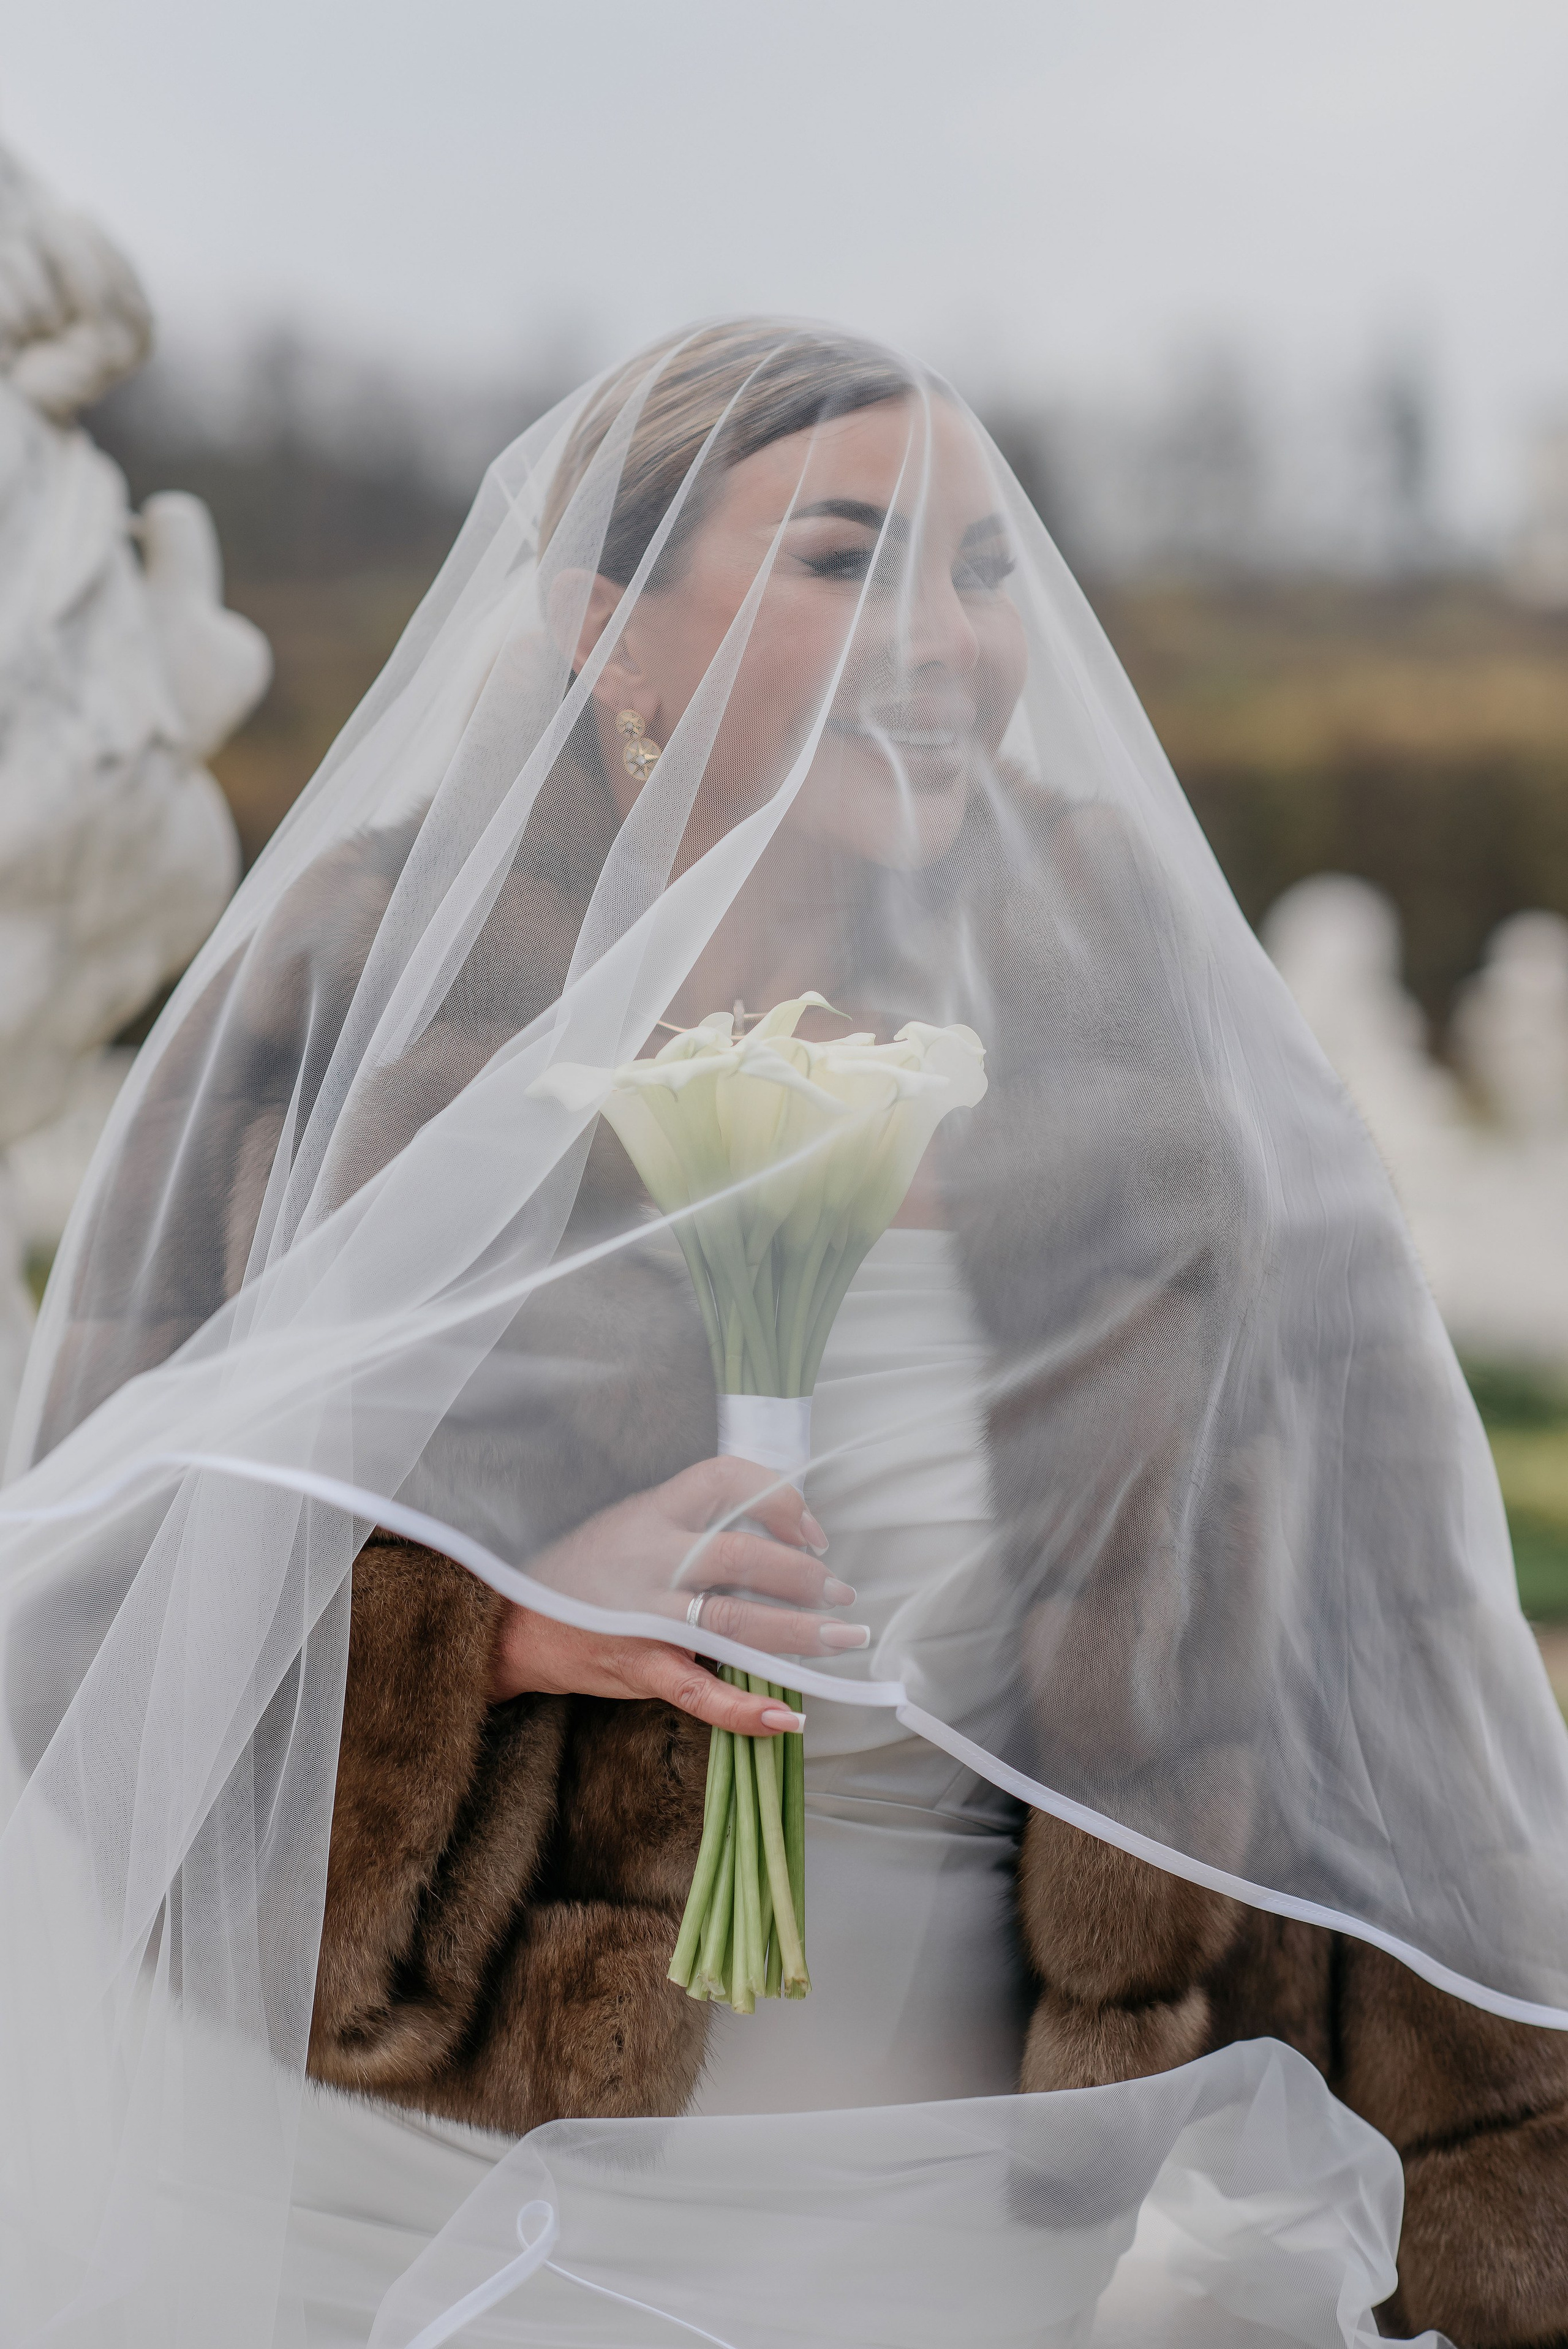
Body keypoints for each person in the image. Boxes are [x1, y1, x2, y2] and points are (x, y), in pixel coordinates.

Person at [4, 319, 1568, 2349]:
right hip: (441, 2159)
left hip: (974, 2173)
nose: (943, 636)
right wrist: (477, 1620)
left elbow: (1390, 1638)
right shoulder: (365, 1000)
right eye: (846, 559)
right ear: (607, 629)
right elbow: (90, 1588)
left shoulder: (1157, 1036)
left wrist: (1508, 2171)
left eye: (985, 575)